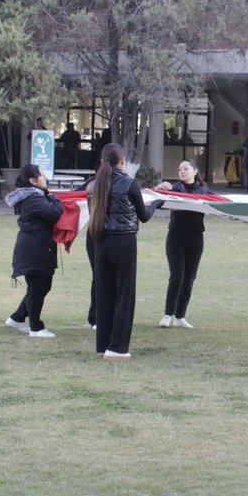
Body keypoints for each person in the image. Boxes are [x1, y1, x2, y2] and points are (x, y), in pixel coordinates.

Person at [88, 143, 163, 360]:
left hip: (100, 243)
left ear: (103, 162)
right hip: (124, 242)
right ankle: (118, 347)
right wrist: (156, 203)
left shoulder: (93, 186)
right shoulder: (130, 184)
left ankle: (103, 344)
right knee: (124, 294)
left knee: (104, 293)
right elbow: (144, 215)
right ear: (122, 161)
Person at [4, 164, 64, 338]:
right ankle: (36, 327)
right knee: (38, 288)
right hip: (34, 251)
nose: (45, 179)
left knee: (40, 287)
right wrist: (55, 198)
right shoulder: (33, 199)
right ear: (32, 181)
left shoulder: (36, 196)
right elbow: (54, 212)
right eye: (42, 176)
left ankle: (17, 318)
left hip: (38, 249)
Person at [154, 159, 209, 329]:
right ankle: (168, 314)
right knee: (176, 276)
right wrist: (157, 189)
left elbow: (222, 202)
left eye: (186, 169)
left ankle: (180, 316)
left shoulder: (203, 190)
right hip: (175, 238)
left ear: (195, 171)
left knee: (189, 278)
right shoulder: (173, 189)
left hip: (195, 238)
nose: (182, 172)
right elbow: (156, 200)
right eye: (180, 169)